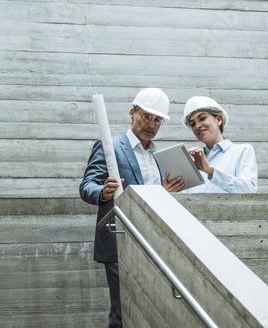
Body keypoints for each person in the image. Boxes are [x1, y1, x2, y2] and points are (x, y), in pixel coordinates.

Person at [79, 88, 184, 328]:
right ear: (132, 113)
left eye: (158, 119)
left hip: (153, 241)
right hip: (120, 240)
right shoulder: (111, 146)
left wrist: (164, 193)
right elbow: (87, 186)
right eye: (146, 116)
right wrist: (103, 192)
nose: (152, 124)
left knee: (152, 308)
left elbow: (149, 198)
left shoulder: (158, 156)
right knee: (123, 310)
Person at [181, 96, 258, 193]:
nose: (197, 126)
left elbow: (249, 190)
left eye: (202, 118)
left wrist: (210, 171)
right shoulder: (193, 161)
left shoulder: (242, 151)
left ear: (219, 120)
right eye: (193, 124)